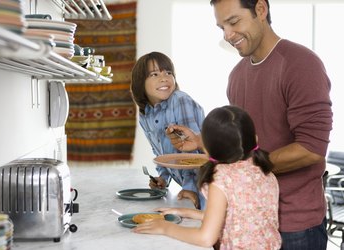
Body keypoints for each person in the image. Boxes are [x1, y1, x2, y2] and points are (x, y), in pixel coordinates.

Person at [166, 0, 333, 249]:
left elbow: (311, 149)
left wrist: (242, 171)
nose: (228, 35)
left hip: (294, 225)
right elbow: (242, 139)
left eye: (233, 22)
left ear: (261, 10)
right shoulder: (236, 76)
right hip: (243, 222)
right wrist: (202, 141)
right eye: (221, 27)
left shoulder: (300, 64)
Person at [133, 105, 281, 249]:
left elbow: (206, 238)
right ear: (255, 140)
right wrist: (188, 213)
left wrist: (166, 228)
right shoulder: (266, 172)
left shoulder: (222, 178)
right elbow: (242, 218)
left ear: (208, 151)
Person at [130, 51, 206, 209]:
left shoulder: (180, 100)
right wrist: (163, 178)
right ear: (140, 82)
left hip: (206, 188)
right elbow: (161, 154)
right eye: (154, 74)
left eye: (168, 72)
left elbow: (192, 155)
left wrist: (189, 188)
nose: (164, 78)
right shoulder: (145, 115)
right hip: (190, 189)